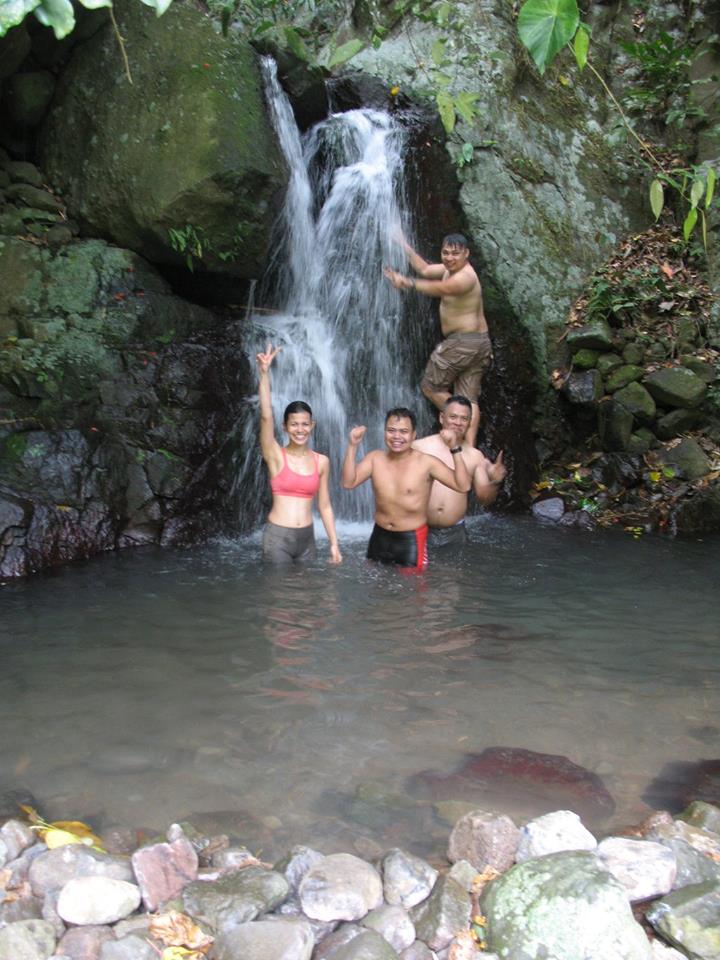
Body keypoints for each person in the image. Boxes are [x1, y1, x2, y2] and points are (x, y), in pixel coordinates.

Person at [383, 232, 491, 447]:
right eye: (445, 253)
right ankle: (469, 448)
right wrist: (402, 243)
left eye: (455, 254)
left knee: (430, 387)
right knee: (469, 398)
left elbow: (443, 289)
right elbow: (424, 269)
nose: (449, 258)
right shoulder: (449, 270)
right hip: (478, 343)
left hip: (462, 343)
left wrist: (407, 283)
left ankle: (458, 419)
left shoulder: (466, 277)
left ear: (466, 254)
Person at [341, 407, 471, 571]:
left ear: (414, 435)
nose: (397, 436)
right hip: (379, 536)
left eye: (403, 431)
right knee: (374, 583)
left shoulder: (426, 463)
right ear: (384, 432)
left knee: (413, 585)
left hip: (411, 540)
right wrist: (352, 446)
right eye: (391, 430)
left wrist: (455, 448)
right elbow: (348, 483)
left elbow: (463, 485)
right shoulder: (375, 458)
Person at [256, 344, 342, 565]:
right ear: (285, 427)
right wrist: (264, 374)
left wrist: (334, 543)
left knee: (306, 588)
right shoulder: (275, 455)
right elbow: (266, 415)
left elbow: (324, 505)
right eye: (294, 424)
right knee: (280, 587)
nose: (300, 429)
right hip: (278, 538)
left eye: (305, 424)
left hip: (307, 539)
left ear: (312, 426)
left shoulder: (321, 461)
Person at [413, 395, 506, 549]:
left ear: (469, 423)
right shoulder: (419, 447)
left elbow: (484, 498)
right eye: (453, 417)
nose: (458, 422)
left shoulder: (475, 456)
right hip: (420, 528)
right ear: (442, 418)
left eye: (464, 419)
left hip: (455, 532)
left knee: (455, 565)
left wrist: (496, 481)